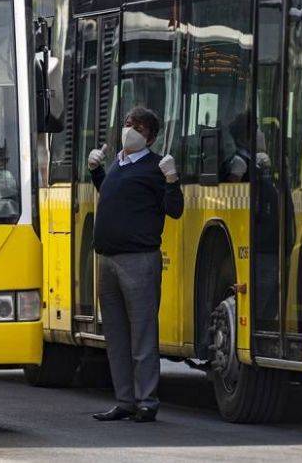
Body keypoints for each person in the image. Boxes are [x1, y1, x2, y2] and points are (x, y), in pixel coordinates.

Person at [87, 106, 183, 423]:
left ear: (150, 136)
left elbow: (174, 210)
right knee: (116, 335)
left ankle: (147, 401)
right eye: (127, 123)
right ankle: (125, 400)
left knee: (141, 333)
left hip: (138, 260)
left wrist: (172, 180)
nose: (129, 129)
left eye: (137, 126)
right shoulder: (119, 163)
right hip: (108, 259)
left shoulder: (156, 167)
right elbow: (115, 196)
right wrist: (97, 172)